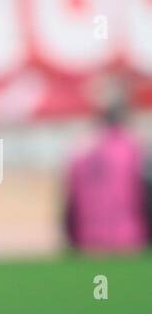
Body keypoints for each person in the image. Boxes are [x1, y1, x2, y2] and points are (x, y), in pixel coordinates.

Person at [64, 89, 150, 254]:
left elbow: (69, 207)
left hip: (87, 242)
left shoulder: (79, 152)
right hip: (129, 240)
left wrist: (73, 242)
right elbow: (147, 199)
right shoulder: (135, 150)